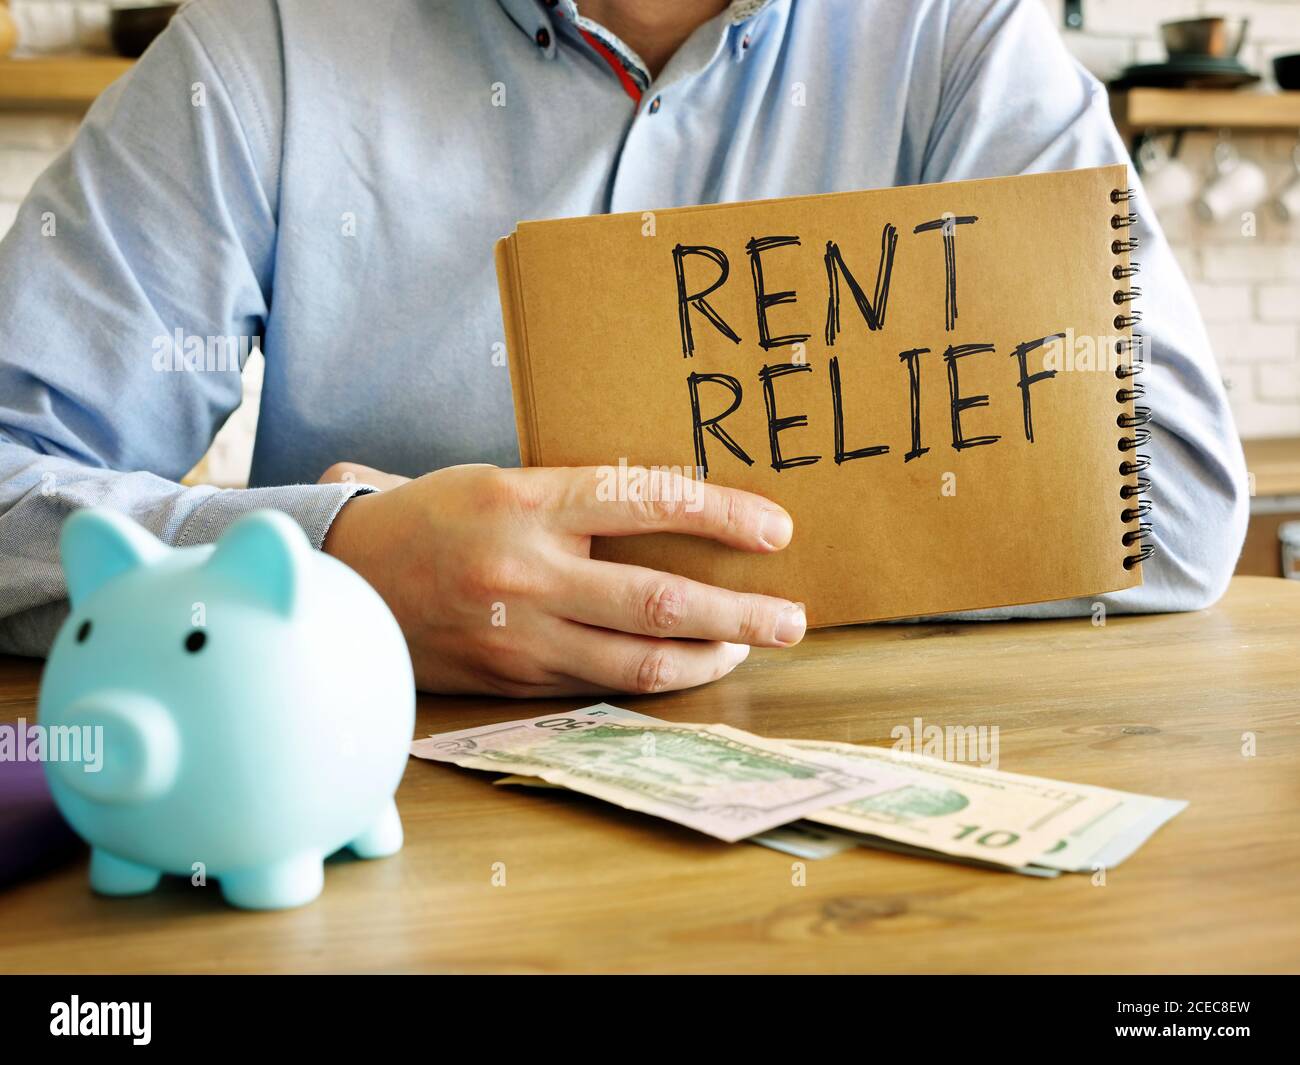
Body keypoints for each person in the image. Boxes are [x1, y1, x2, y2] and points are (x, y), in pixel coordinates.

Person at [0, 0, 1248, 695]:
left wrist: (661, 561)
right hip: (361, 833)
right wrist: (337, 567)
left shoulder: (958, 39)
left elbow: (1169, 505)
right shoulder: (263, 41)